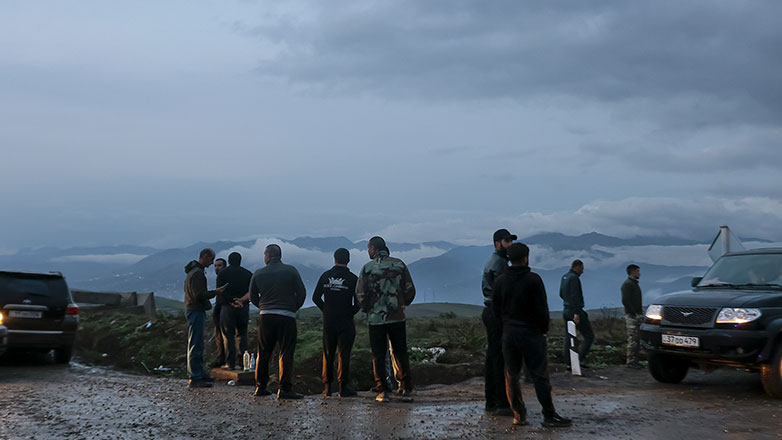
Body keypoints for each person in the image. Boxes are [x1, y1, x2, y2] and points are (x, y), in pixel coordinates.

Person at [493, 243, 572, 428]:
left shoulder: (500, 281)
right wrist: (543, 330)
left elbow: (496, 310)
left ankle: (519, 415)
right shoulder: (533, 280)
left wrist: (505, 328)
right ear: (526, 258)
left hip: (509, 333)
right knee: (539, 375)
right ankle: (549, 415)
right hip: (530, 333)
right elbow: (542, 310)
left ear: (509, 259)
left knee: (512, 375)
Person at [234, 244, 306, 399]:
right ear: (279, 255)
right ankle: (284, 388)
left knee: (264, 351)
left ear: (268, 256)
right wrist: (293, 307)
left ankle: (260, 387)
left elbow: (253, 296)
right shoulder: (291, 270)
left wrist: (262, 306)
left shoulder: (259, 273)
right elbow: (301, 292)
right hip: (287, 316)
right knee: (286, 352)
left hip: (266, 316)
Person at [356, 236, 416, 403]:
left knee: (378, 354)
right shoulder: (399, 264)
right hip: (397, 316)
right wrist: (401, 304)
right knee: (400, 352)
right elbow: (410, 289)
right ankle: (405, 389)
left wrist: (368, 308)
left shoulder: (367, 268)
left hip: (376, 319)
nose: (368, 251)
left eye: (369, 248)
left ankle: (383, 390)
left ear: (374, 248)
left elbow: (360, 293)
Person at [313, 248, 360, 397]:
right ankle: (342, 387)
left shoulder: (325, 276)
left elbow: (315, 297)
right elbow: (359, 301)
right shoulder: (353, 279)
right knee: (344, 354)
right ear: (348, 260)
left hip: (329, 321)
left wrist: (326, 310)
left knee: (328, 353)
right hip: (346, 321)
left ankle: (327, 388)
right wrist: (350, 312)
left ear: (334, 259)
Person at [481, 228, 516, 416]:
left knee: (492, 356)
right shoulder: (500, 263)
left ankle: (491, 400)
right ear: (497, 243)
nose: (510, 244)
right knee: (499, 358)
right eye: (507, 241)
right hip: (496, 312)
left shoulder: (496, 261)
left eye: (511, 241)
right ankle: (502, 402)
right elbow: (502, 291)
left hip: (490, 311)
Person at [184, 248, 226, 388]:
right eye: (211, 259)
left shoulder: (194, 272)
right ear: (205, 257)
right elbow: (199, 294)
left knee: (197, 343)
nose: (212, 263)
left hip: (193, 309)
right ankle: (195, 376)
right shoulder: (198, 274)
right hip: (195, 310)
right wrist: (215, 292)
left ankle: (199, 374)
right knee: (196, 343)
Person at [216, 252, 252, 370]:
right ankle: (243, 363)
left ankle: (230, 363)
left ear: (229, 261)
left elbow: (220, 291)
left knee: (228, 336)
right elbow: (251, 291)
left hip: (227, 308)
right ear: (240, 260)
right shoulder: (248, 274)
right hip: (243, 308)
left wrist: (231, 301)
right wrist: (241, 301)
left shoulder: (222, 274)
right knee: (242, 334)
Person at [560, 259, 594, 369]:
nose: (582, 272)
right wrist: (576, 312)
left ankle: (568, 362)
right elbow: (576, 296)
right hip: (575, 311)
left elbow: (561, 293)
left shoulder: (565, 277)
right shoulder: (574, 278)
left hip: (566, 310)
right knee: (589, 336)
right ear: (577, 267)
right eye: (582, 269)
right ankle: (580, 359)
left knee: (569, 336)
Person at [621, 264, 643, 369]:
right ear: (633, 272)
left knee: (637, 339)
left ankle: (635, 360)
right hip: (632, 316)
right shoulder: (628, 285)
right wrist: (634, 313)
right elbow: (625, 300)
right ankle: (630, 361)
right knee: (633, 339)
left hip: (636, 314)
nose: (639, 273)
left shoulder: (633, 284)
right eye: (638, 271)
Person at [210, 258, 227, 369]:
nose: (217, 268)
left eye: (219, 265)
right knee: (218, 335)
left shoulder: (225, 277)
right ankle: (221, 357)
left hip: (223, 308)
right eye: (215, 265)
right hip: (219, 307)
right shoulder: (219, 278)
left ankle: (223, 358)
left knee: (224, 334)